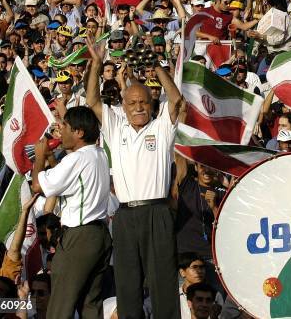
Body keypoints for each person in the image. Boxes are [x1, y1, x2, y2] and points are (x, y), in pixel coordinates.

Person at [86, 40, 183, 318]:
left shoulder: (162, 126)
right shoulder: (116, 127)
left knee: (162, 282)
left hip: (157, 212)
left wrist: (156, 68)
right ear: (124, 106)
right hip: (126, 215)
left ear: (152, 103)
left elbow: (176, 100)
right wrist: (95, 65)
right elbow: (92, 100)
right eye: (132, 103)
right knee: (127, 284)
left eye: (143, 102)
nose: (138, 107)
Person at [31, 106, 112, 318]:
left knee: (60, 306)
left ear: (79, 132)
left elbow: (37, 186)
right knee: (90, 306)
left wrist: (39, 157)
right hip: (99, 234)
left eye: (65, 125)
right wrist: (51, 159)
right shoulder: (99, 154)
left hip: (79, 236)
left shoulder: (77, 158)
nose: (61, 129)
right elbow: (69, 180)